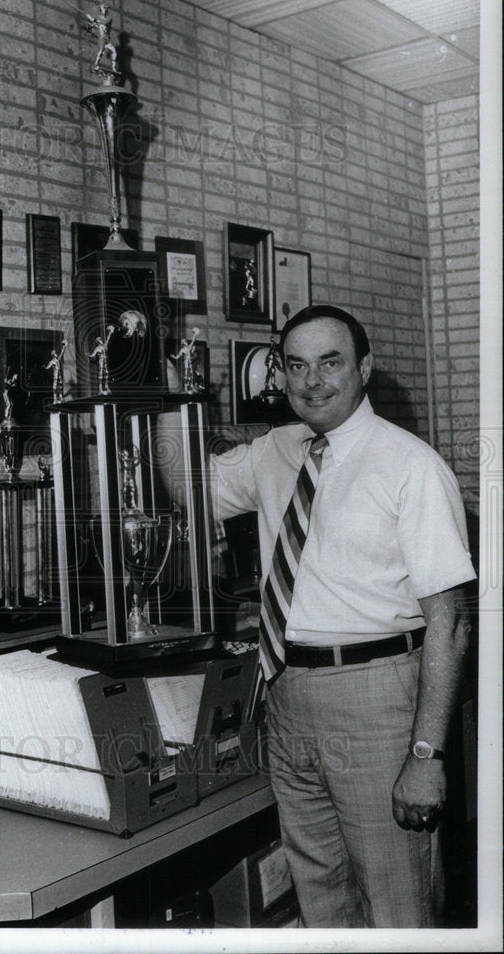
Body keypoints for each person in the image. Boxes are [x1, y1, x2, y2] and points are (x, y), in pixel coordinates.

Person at [163, 304, 476, 927]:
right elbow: (187, 486)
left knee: (396, 904)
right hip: (286, 691)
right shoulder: (277, 449)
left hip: (378, 699)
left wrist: (425, 754)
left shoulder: (411, 465)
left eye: (330, 362)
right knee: (320, 900)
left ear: (365, 367)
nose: (312, 381)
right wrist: (178, 399)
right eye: (296, 365)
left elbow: (452, 621)